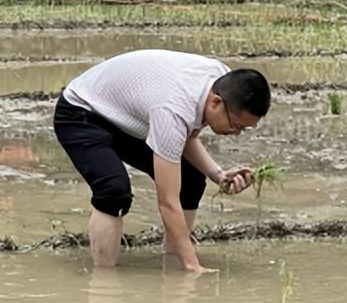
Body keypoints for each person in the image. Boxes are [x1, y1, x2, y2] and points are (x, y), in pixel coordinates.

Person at [54, 49, 271, 274]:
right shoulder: (174, 108)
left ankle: (173, 260)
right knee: (113, 190)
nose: (235, 133)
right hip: (81, 111)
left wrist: (218, 175)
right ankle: (104, 278)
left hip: (126, 115)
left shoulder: (222, 82)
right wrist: (193, 266)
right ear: (216, 102)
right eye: (235, 125)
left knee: (191, 179)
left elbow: (185, 135)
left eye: (244, 129)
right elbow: (167, 202)